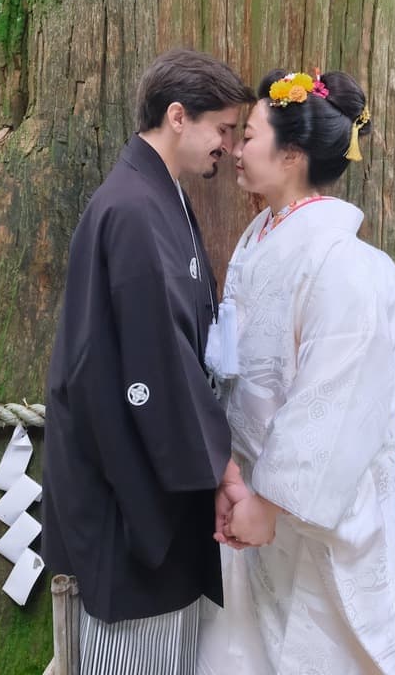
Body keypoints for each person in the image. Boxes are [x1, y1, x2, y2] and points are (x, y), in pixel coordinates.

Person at [41, 48, 254, 675]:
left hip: (151, 454)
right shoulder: (133, 207)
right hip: (125, 468)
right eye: (223, 129)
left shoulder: (163, 197)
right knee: (133, 649)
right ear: (179, 116)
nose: (228, 146)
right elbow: (155, 361)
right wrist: (220, 466)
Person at [201, 69, 395, 675]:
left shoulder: (353, 269)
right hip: (248, 490)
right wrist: (231, 473)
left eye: (252, 136)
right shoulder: (260, 239)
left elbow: (338, 400)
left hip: (307, 510)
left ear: (292, 154)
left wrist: (268, 504)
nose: (237, 149)